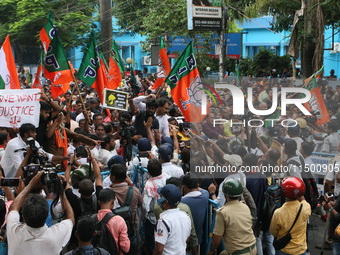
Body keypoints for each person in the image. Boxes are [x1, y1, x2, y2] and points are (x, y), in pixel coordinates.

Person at [7, 171, 75, 254]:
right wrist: (61, 192)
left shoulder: (14, 233)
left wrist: (30, 186)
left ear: (23, 217)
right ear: (47, 215)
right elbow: (71, 219)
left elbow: (14, 208)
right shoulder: (54, 236)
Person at [208, 178, 257, 255]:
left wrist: (211, 251)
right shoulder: (245, 207)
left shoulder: (222, 213)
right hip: (253, 249)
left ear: (225, 195)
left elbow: (216, 241)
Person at [0, 123, 68, 177]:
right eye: (33, 132)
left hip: (23, 177)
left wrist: (64, 158)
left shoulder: (34, 142)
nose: (36, 134)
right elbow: (19, 167)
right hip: (9, 177)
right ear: (26, 134)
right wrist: (29, 154)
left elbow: (47, 155)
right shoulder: (13, 144)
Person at [270, 176, 311, 255]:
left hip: (283, 250)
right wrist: (298, 192)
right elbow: (303, 200)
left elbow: (273, 232)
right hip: (300, 249)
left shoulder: (278, 213)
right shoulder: (305, 207)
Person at [153, 184, 191, 255]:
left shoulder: (163, 221)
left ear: (165, 202)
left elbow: (159, 250)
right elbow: (187, 239)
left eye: (161, 197)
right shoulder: (186, 216)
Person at [97, 189, 130, 254]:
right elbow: (125, 247)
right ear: (112, 201)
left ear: (99, 202)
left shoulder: (92, 219)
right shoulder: (119, 220)